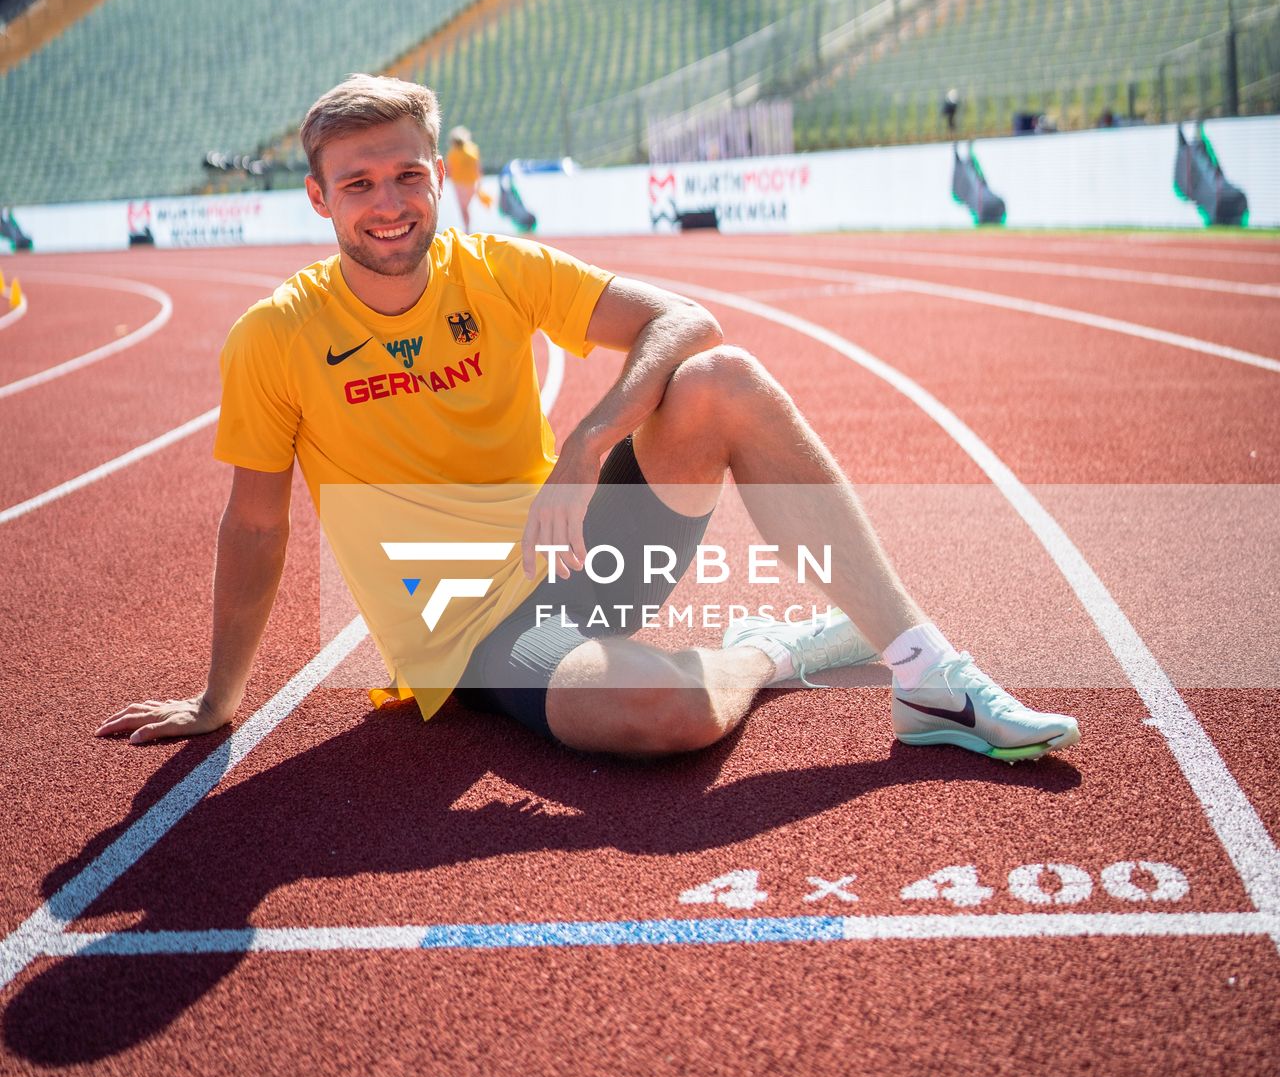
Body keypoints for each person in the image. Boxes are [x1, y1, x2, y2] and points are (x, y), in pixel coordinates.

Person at [98, 74, 1080, 763]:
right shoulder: (276, 336)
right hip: (468, 633)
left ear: (437, 175)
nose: (387, 203)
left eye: (406, 174)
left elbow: (682, 320)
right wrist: (219, 698)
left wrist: (590, 437)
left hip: (571, 558)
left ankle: (927, 677)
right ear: (318, 197)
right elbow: (257, 523)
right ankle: (781, 647)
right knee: (667, 719)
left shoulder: (497, 270)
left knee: (721, 378)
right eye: (358, 184)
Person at [444, 123, 489, 230]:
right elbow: (478, 168)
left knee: (463, 208)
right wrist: (479, 183)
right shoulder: (472, 149)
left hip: (460, 184)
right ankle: (467, 229)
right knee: (465, 208)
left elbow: (449, 169)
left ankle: (467, 229)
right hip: (470, 183)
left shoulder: (453, 153)